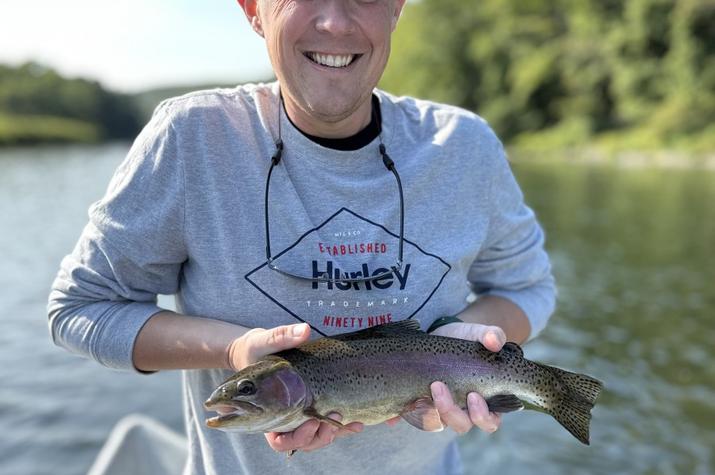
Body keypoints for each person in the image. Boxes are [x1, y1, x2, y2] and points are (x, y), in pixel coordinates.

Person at [48, 0, 555, 473]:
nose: (335, 22)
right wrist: (234, 351)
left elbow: (526, 288)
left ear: (397, 8)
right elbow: (80, 309)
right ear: (253, 10)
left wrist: (454, 344)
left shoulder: (465, 148)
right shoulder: (191, 140)